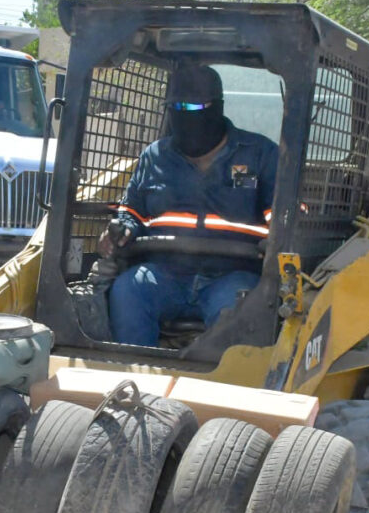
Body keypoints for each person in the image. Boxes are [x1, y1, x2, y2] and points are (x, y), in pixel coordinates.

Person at [101, 64, 278, 347]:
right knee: (127, 290)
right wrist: (121, 227)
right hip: (165, 274)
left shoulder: (260, 154)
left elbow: (283, 217)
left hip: (232, 276)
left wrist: (277, 239)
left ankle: (221, 385)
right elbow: (132, 210)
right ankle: (135, 377)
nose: (186, 115)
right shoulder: (154, 156)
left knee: (242, 310)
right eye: (178, 106)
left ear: (218, 107)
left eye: (195, 107)